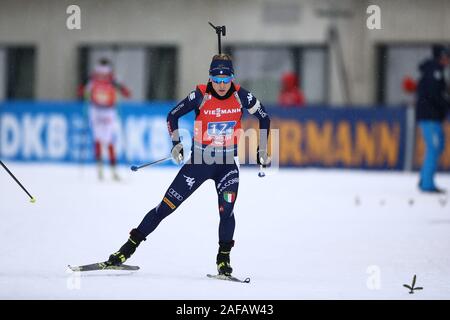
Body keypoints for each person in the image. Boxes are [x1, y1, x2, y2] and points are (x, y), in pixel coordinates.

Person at [104, 54, 271, 277]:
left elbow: (264, 118)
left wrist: (262, 149)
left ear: (232, 78)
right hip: (198, 164)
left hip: (226, 167)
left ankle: (223, 260)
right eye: (216, 79)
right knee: (164, 208)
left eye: (226, 79)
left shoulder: (242, 96)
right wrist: (176, 143)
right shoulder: (200, 95)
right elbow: (172, 116)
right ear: (210, 77)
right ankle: (125, 250)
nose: (221, 85)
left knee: (227, 211)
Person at [81, 58, 131, 181]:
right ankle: (110, 169)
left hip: (101, 110)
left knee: (101, 139)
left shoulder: (96, 77)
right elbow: (126, 93)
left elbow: (81, 91)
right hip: (104, 110)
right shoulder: (110, 78)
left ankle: (101, 168)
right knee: (107, 140)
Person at [416, 45, 450, 193]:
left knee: (438, 146)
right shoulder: (434, 72)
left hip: (432, 116)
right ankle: (427, 184)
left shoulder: (437, 71)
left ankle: (425, 178)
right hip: (429, 116)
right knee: (434, 147)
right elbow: (435, 95)